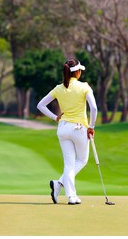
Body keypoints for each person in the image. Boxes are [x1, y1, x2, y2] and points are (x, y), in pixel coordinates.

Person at [37, 58, 98, 205]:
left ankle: (63, 189)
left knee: (69, 163)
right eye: (80, 71)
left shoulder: (59, 88)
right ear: (77, 72)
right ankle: (67, 192)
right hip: (79, 128)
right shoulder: (84, 87)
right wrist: (91, 126)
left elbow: (40, 105)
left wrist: (55, 118)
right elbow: (94, 108)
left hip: (63, 128)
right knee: (82, 160)